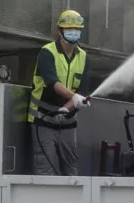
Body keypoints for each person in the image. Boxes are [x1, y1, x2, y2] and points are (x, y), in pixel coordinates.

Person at [29, 9, 92, 176]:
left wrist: (67, 107)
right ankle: (46, 200)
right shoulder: (47, 52)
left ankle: (71, 201)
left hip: (68, 120)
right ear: (60, 30)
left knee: (70, 168)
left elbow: (83, 88)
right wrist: (75, 98)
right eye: (69, 29)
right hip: (43, 118)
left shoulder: (84, 57)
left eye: (77, 30)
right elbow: (52, 83)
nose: (73, 33)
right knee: (45, 166)